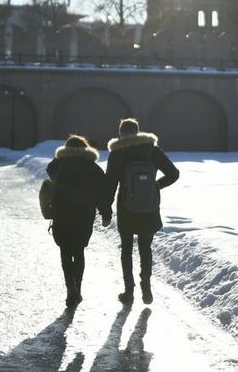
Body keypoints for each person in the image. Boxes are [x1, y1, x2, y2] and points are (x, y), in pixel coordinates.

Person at [105, 118, 179, 305]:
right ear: (137, 131)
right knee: (145, 247)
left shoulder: (118, 153)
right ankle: (146, 288)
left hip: (126, 207)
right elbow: (174, 173)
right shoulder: (152, 150)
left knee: (127, 249)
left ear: (121, 133)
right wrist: (154, 187)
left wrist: (105, 209)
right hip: (149, 207)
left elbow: (110, 184)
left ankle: (128, 291)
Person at [45, 134, 111, 308]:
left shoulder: (58, 165)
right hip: (84, 217)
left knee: (65, 252)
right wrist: (106, 213)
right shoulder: (92, 168)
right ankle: (78, 289)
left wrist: (63, 156)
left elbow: (50, 169)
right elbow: (101, 193)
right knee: (79, 252)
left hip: (62, 215)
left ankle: (70, 289)